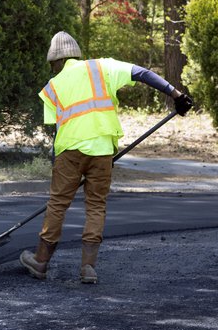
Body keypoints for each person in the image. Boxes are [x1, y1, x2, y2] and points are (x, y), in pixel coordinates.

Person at [19, 31, 193, 284]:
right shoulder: (101, 67)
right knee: (96, 205)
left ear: (54, 62)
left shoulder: (52, 86)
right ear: (77, 55)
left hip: (69, 150)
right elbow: (142, 73)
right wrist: (176, 95)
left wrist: (59, 167)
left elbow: (57, 128)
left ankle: (41, 261)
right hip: (102, 149)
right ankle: (88, 268)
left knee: (58, 204)